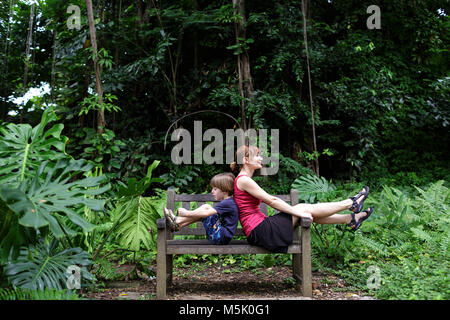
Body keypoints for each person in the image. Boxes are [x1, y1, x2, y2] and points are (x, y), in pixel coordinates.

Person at [230, 145, 374, 253]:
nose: (261, 158)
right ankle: (351, 203)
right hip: (260, 230)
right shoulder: (244, 180)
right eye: (257, 156)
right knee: (302, 209)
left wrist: (298, 213)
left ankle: (350, 218)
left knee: (305, 211)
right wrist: (298, 212)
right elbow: (272, 201)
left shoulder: (245, 179)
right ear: (245, 159)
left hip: (260, 228)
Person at [163, 172, 239, 245]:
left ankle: (179, 221)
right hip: (219, 236)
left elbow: (206, 213)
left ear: (225, 190)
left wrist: (186, 213)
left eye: (215, 189)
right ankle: (178, 224)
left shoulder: (227, 203)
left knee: (206, 208)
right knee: (205, 210)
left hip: (219, 237)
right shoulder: (228, 202)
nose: (212, 191)